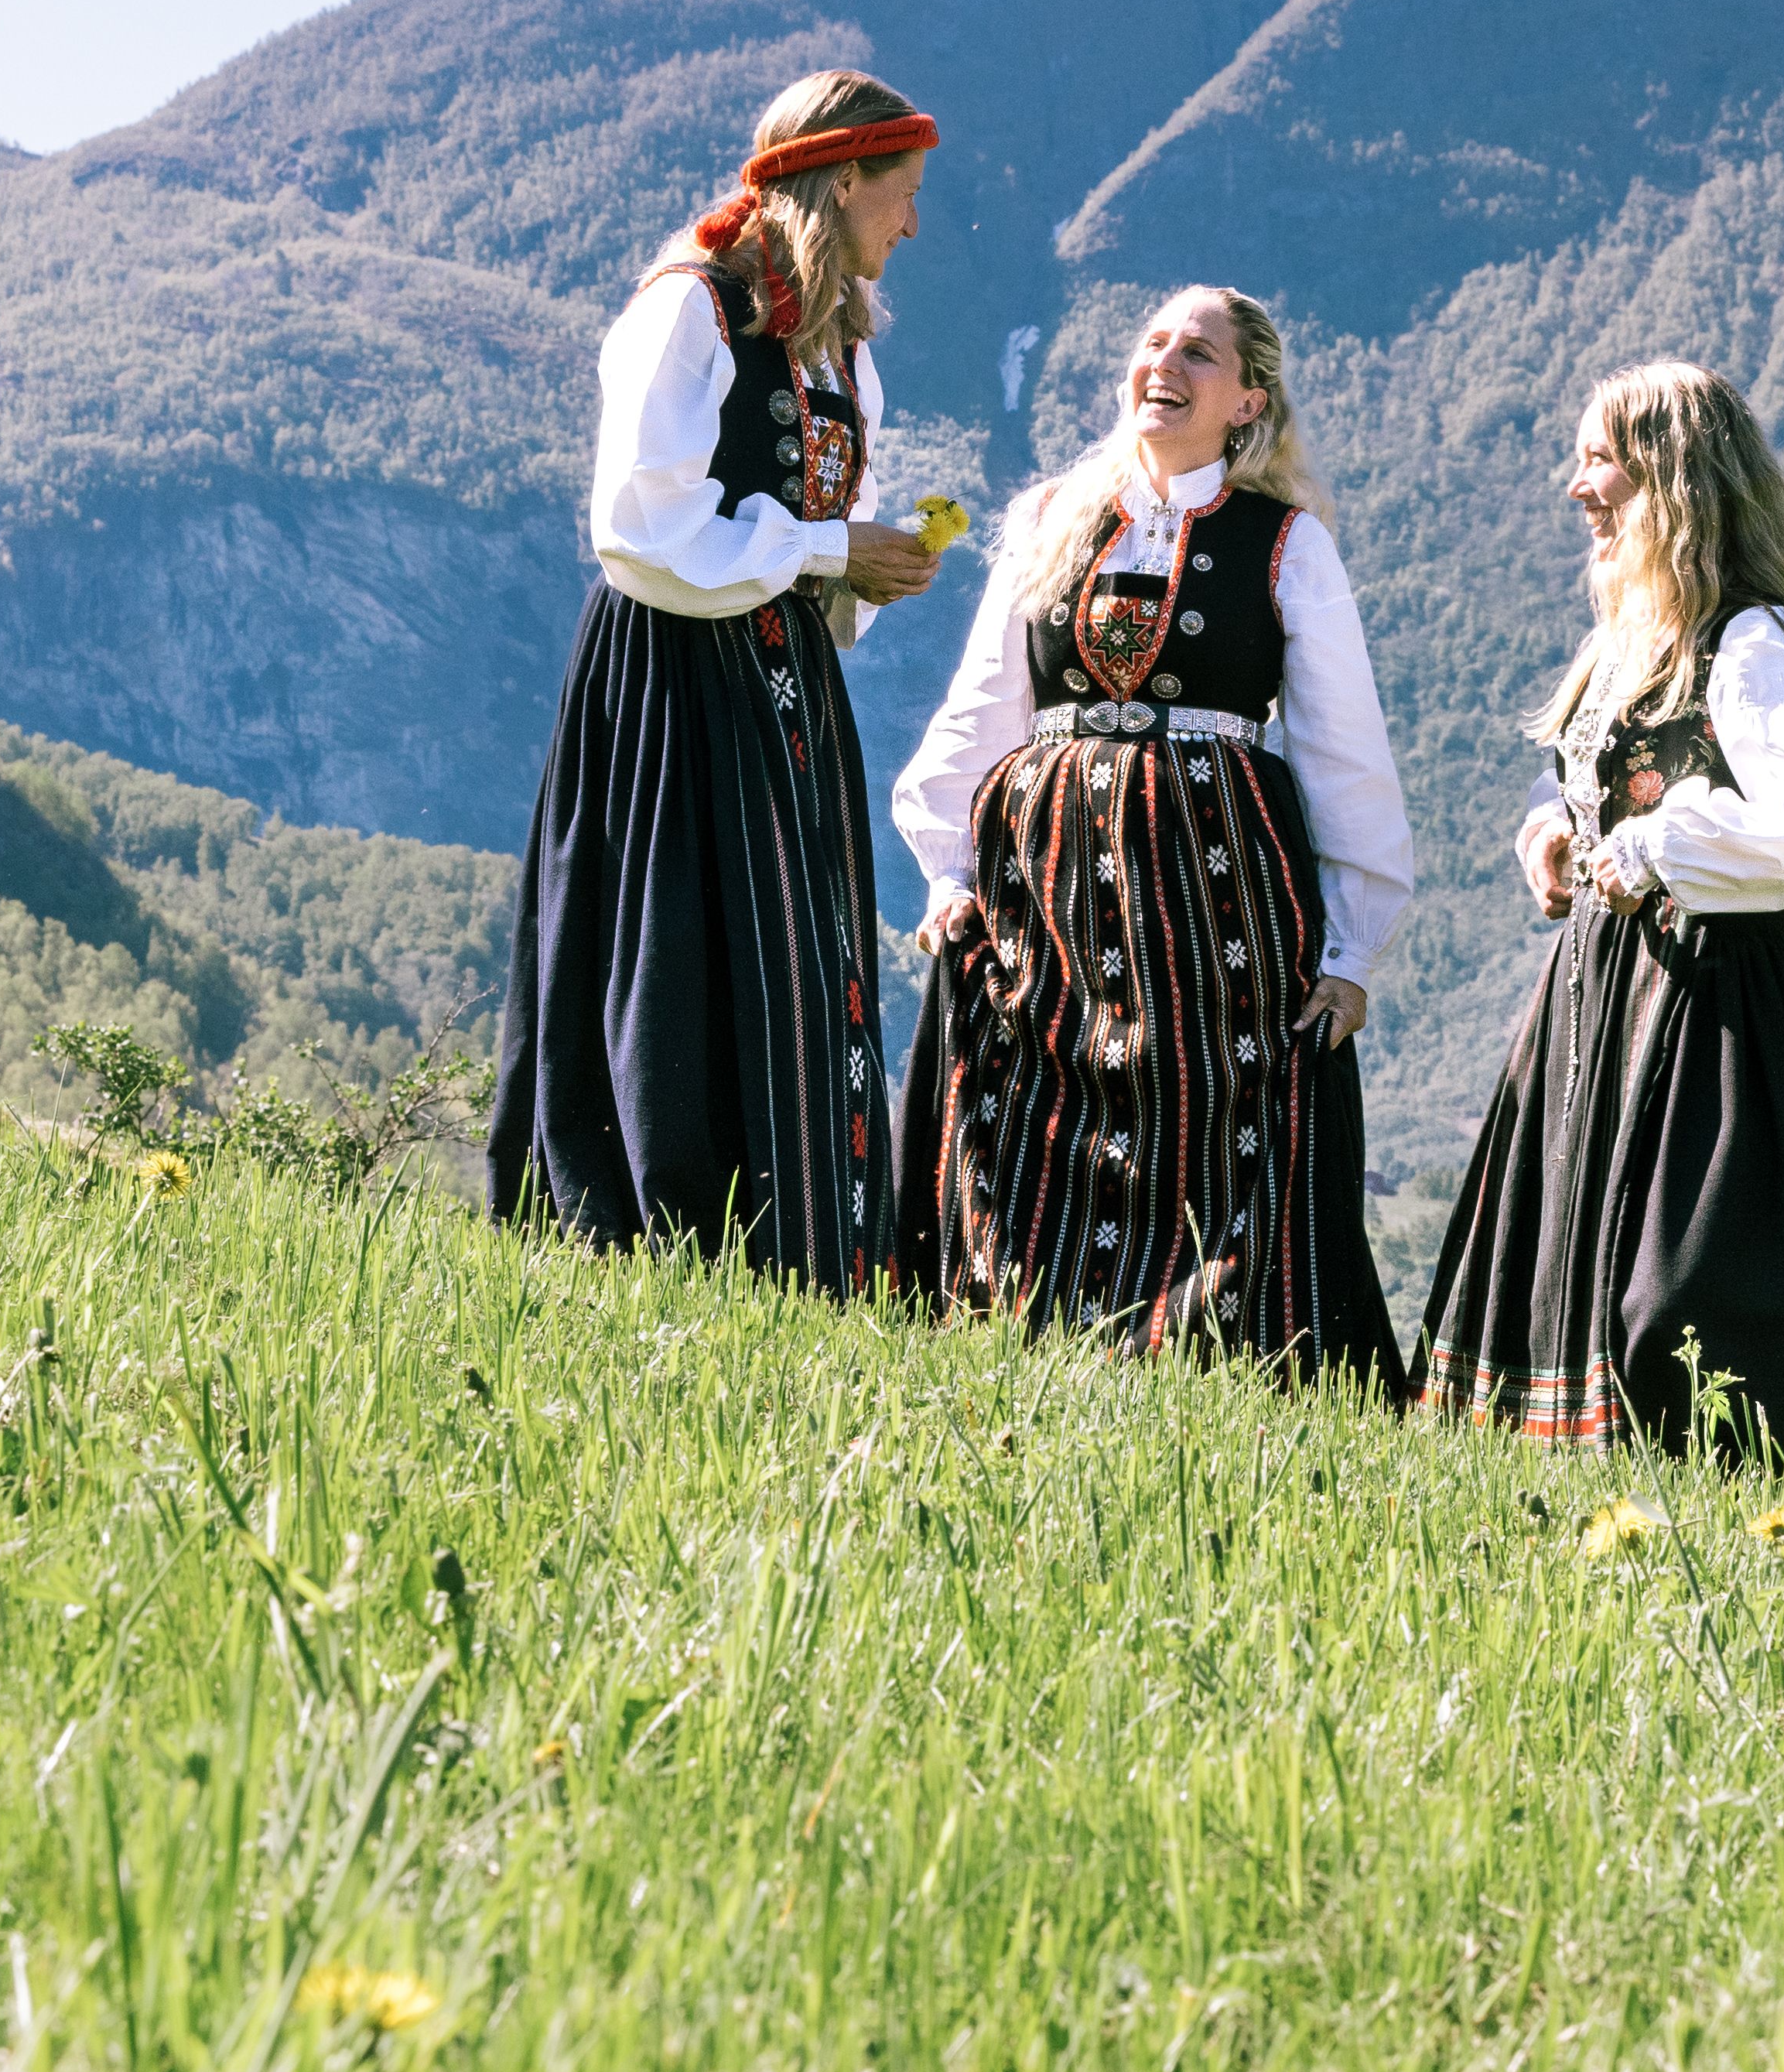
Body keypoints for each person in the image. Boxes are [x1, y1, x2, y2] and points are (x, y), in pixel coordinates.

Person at [1418, 360, 1784, 1489]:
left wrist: (1657, 849)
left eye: (1598, 459)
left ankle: (1750, 1526)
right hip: (1600, 992)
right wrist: (1561, 828)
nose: (1575, 486)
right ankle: (1588, 1520)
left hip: (1713, 1008)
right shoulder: (1634, 634)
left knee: (1683, 1298)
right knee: (1582, 1276)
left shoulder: (1750, 639)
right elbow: (1637, 788)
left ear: (1669, 477)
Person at [890, 285, 1417, 1380]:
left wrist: (1352, 950)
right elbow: (983, 703)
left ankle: (1199, 1349)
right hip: (1048, 877)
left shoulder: (1285, 544)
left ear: (1247, 402)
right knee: (1035, 1094)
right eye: (1153, 340)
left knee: (1205, 1100)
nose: (1165, 361)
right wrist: (946, 867)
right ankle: (1018, 1332)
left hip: (1214, 876)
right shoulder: (1049, 520)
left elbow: (1342, 749)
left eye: (1201, 352)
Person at [486, 70, 948, 1282]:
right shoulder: (687, 310)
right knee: (675, 942)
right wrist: (823, 549)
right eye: (899, 195)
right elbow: (641, 529)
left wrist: (856, 569)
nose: (911, 223)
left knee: (796, 951)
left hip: (785, 683)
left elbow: (792, 521)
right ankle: (654, 1243)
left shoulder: (837, 341)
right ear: (841, 181)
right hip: (672, 679)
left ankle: (802, 1253)